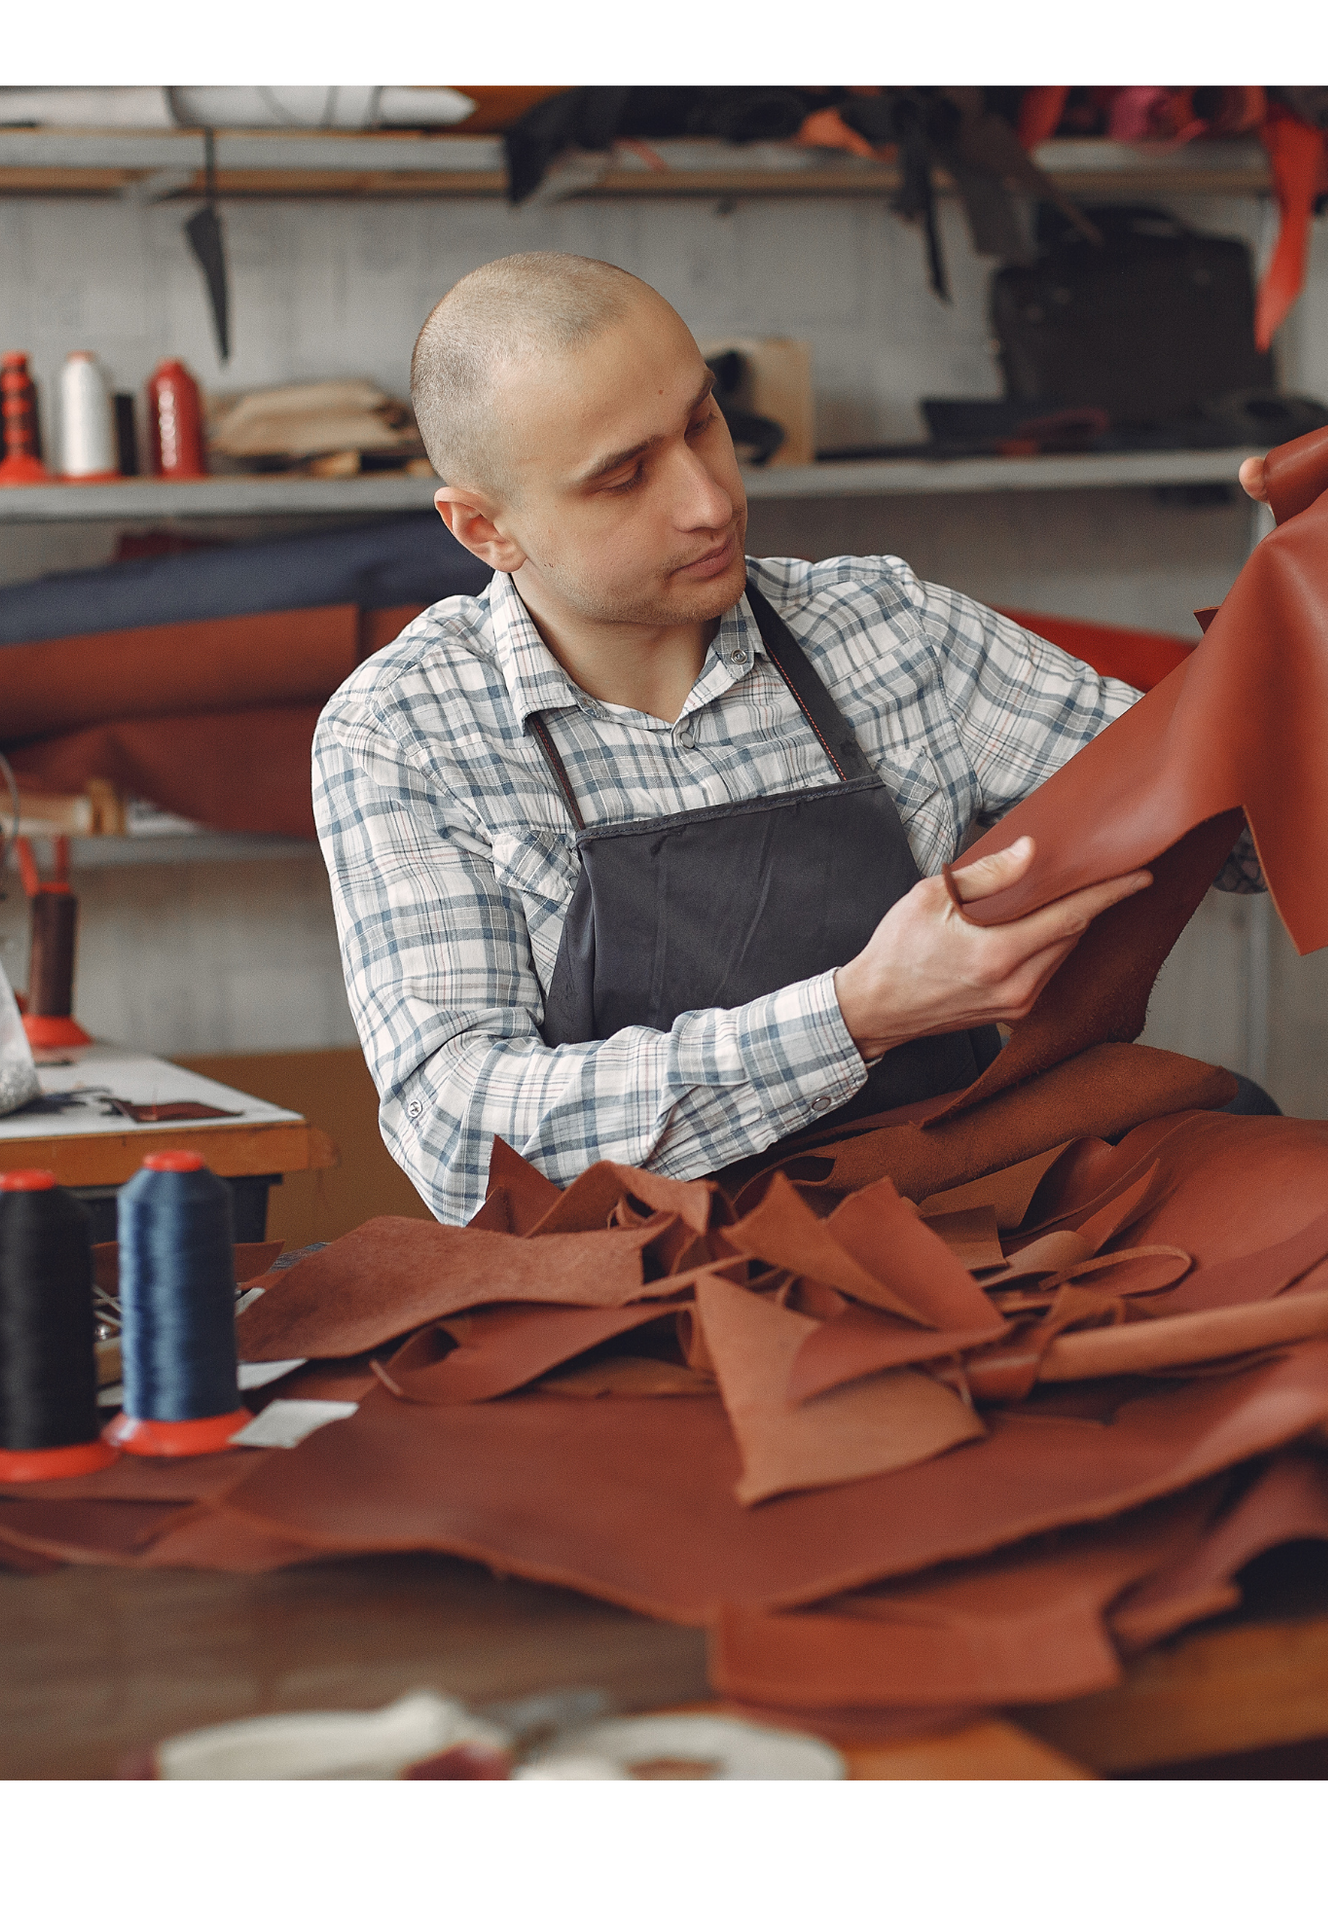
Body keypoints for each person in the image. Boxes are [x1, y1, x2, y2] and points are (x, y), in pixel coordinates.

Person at [314, 252, 1269, 1224]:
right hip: (630, 1280)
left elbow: (1231, 827)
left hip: (956, 1210)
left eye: (702, 423)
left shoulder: (888, 630)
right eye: (621, 477)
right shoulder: (404, 729)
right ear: (484, 529)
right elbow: (461, 1141)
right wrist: (857, 1015)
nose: (709, 500)